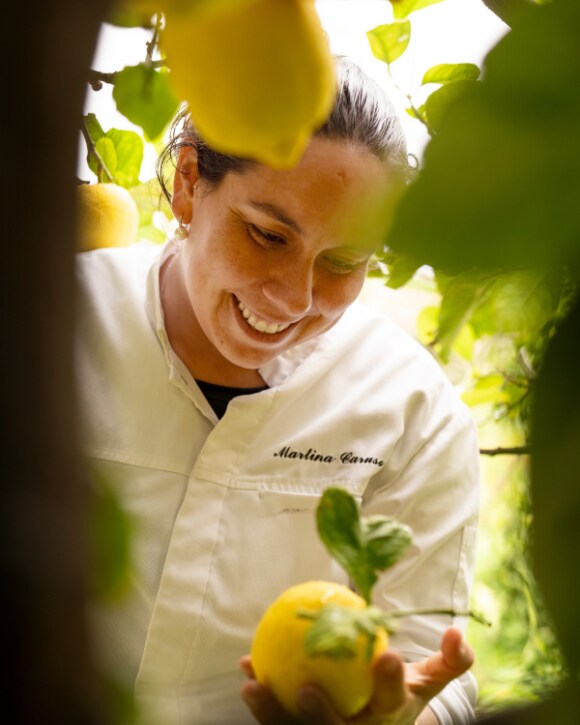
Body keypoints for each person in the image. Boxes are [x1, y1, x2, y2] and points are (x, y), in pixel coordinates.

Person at [76, 57, 480, 724]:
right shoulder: (54, 316)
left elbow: (433, 669)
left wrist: (400, 715)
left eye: (345, 262)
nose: (295, 297)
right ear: (186, 184)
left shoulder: (414, 414)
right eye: (267, 234)